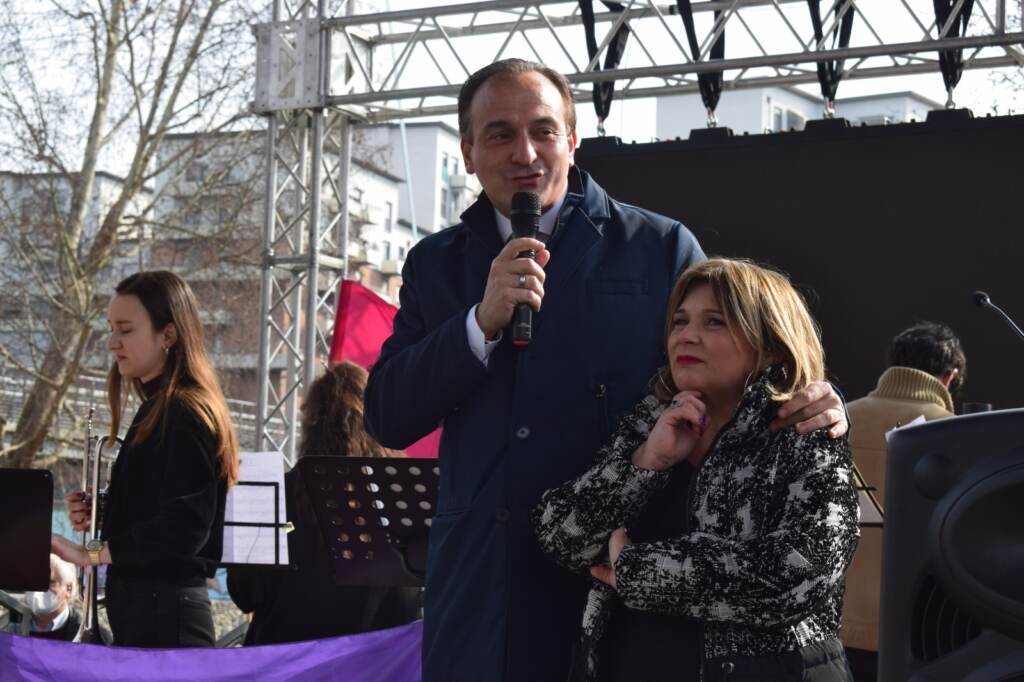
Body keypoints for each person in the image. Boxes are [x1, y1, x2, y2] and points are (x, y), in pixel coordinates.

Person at [363, 58, 849, 682]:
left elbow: (747, 363)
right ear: (467, 151)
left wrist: (815, 398)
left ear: (573, 138)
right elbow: (387, 416)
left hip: (620, 589)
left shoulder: (658, 247)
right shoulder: (435, 264)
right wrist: (479, 322)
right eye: (500, 134)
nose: (525, 152)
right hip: (480, 587)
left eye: (543, 130)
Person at [534, 258, 860, 681]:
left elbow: (803, 571)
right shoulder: (648, 421)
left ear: (771, 345)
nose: (686, 336)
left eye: (714, 323)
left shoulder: (806, 430)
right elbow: (560, 535)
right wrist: (646, 462)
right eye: (680, 322)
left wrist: (642, 571)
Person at [52, 270, 239, 648]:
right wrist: (105, 512)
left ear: (168, 334)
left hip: (166, 619)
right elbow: (166, 508)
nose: (112, 342)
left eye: (125, 330)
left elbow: (186, 526)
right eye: (111, 329)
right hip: (152, 614)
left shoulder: (183, 411)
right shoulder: (163, 408)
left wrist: (90, 553)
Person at [227, 361, 420, 645]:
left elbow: (244, 593)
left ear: (311, 423)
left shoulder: (275, 494)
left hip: (286, 665)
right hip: (375, 667)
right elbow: (409, 603)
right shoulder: (403, 498)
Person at [841, 322, 965, 680]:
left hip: (832, 629)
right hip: (916, 631)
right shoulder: (957, 433)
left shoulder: (838, 419)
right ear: (949, 377)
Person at [23, 554, 81, 641]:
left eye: (48, 581)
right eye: (32, 579)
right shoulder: (7, 624)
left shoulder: (90, 634)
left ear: (69, 588)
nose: (38, 587)